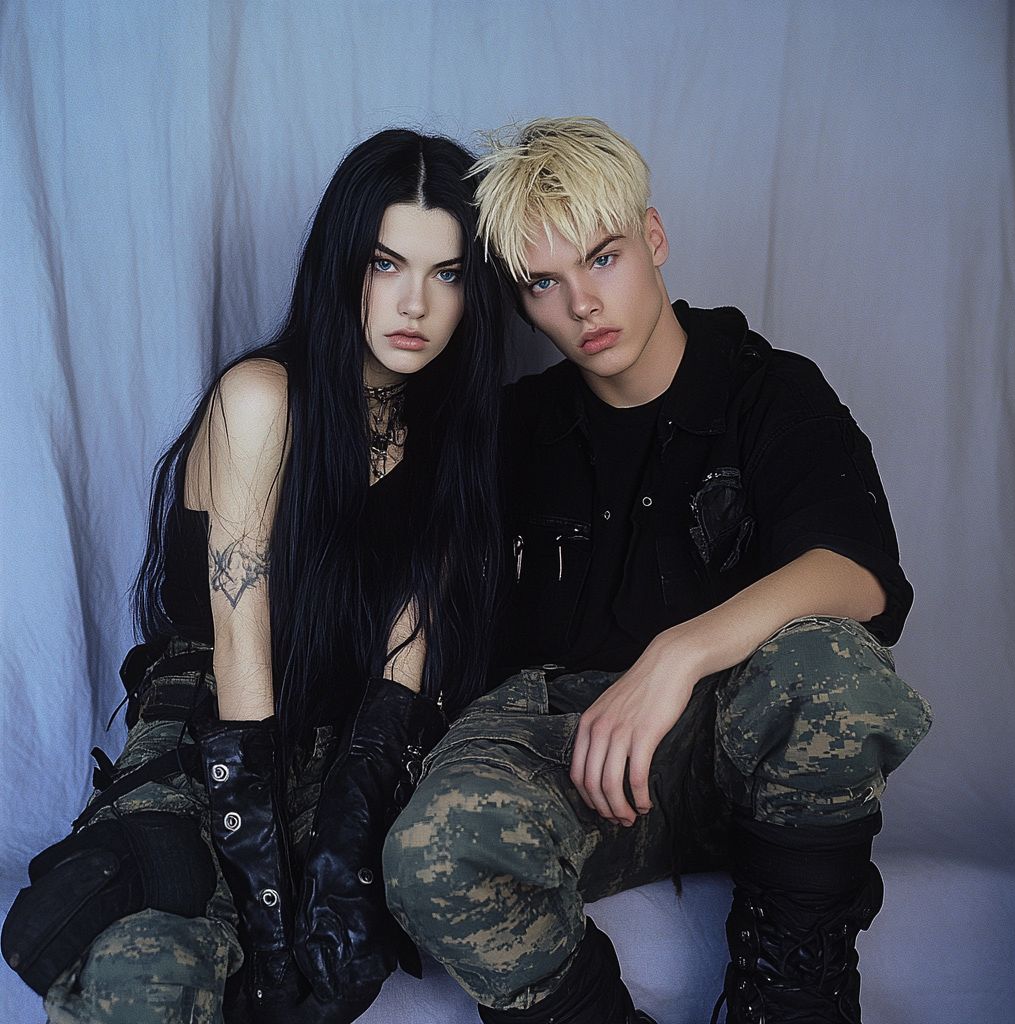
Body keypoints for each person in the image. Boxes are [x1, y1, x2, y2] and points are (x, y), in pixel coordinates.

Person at [383, 117, 933, 1024]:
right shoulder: (514, 429)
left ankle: (791, 1001)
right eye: (544, 284)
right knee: (431, 851)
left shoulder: (768, 389)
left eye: (603, 258)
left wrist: (675, 657)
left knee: (832, 666)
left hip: (739, 754)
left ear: (655, 237)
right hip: (574, 761)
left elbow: (859, 571)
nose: (582, 306)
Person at [2, 128, 507, 1023]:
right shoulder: (263, 398)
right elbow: (241, 650)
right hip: (214, 725)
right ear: (344, 263)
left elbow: (405, 662)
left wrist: (348, 838)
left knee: (334, 967)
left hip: (338, 741)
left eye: (448, 273)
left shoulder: (451, 439)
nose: (415, 303)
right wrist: (268, 905)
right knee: (146, 980)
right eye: (387, 263)